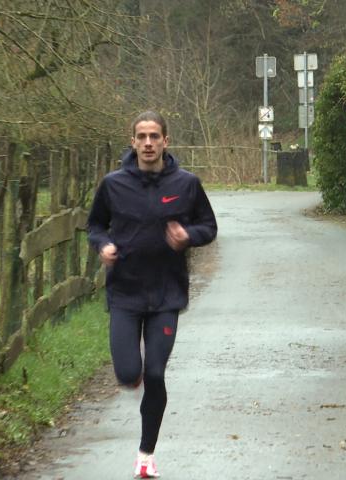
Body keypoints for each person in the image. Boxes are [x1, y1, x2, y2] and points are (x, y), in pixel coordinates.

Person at [87, 110, 217, 478]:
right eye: (141, 137)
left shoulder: (186, 184)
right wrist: (104, 245)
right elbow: (95, 224)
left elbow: (209, 226)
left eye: (154, 136)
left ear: (166, 141)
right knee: (129, 374)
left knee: (155, 374)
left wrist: (188, 236)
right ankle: (133, 374)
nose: (147, 143)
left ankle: (146, 455)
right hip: (125, 293)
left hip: (166, 295)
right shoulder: (113, 184)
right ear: (132, 141)